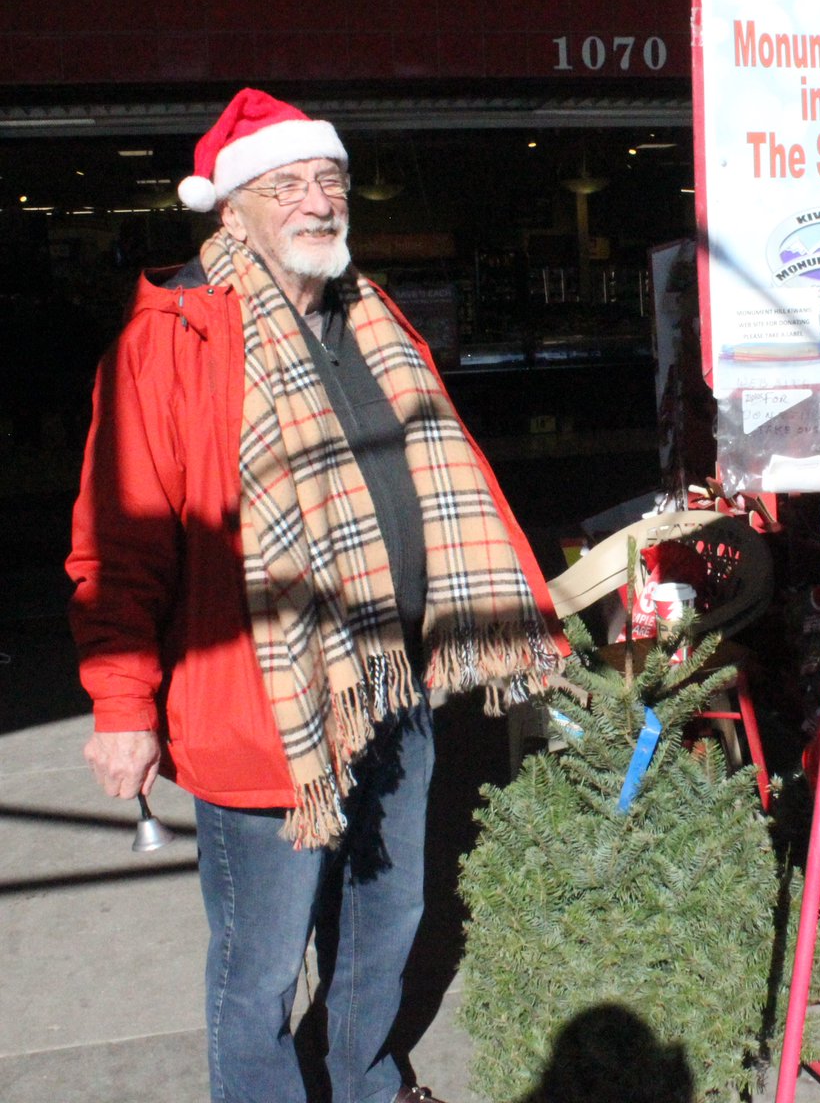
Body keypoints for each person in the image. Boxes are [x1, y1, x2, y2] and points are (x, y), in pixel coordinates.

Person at [67, 88, 562, 1103]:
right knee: (259, 967)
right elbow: (118, 544)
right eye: (285, 184)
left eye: (327, 180)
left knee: (387, 922)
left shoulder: (371, 318)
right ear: (229, 210)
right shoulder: (176, 340)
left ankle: (368, 1079)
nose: (315, 201)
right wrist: (124, 707)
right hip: (262, 706)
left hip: (396, 684)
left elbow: (448, 478)